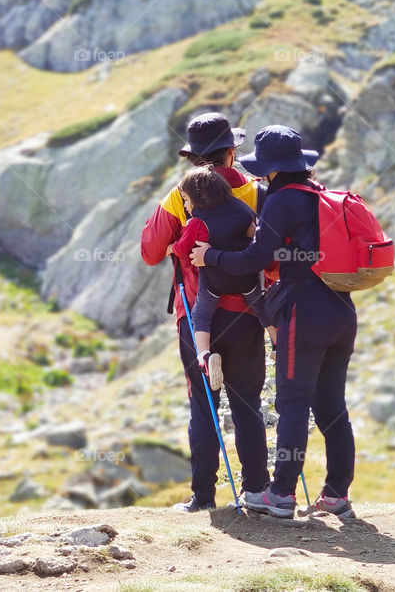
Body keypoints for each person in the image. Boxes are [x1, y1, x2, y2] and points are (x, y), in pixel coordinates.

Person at [192, 125, 358, 519]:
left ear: (271, 170)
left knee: (293, 403)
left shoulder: (281, 200)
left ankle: (281, 493)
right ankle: (337, 495)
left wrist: (211, 257)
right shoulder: (319, 195)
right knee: (333, 405)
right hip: (342, 310)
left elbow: (255, 259)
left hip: (304, 311)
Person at [140, 113, 269, 513]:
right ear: (232, 152)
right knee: (247, 401)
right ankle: (258, 491)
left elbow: (149, 252)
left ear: (194, 158)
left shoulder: (180, 197)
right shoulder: (256, 192)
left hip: (198, 318)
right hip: (248, 310)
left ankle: (203, 496)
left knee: (204, 403)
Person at [168, 168, 277, 389]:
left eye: (187, 200)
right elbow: (254, 234)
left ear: (199, 197)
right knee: (260, 306)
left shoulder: (197, 223)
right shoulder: (243, 210)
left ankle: (205, 356)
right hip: (244, 276)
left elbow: (182, 249)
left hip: (213, 281)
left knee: (201, 314)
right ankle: (277, 343)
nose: (186, 206)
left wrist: (171, 247)